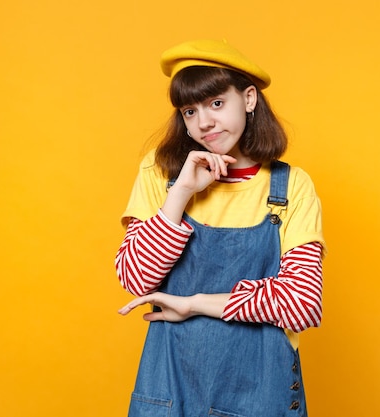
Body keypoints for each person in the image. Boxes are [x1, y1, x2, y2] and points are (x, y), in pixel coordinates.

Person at [115, 39, 326, 417]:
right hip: (170, 390)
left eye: (216, 103)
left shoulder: (292, 187)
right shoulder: (159, 173)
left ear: (248, 99)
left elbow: (302, 304)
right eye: (189, 111)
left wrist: (193, 304)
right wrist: (180, 193)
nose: (204, 123)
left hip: (258, 394)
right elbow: (136, 279)